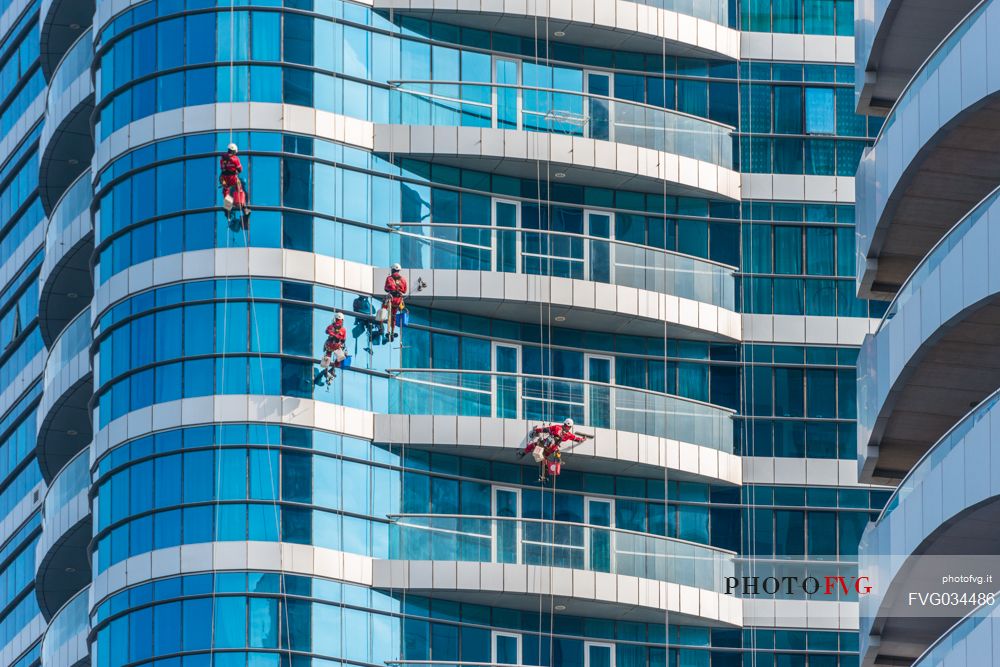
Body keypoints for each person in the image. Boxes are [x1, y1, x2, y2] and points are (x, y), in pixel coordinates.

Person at [519, 418, 590, 482]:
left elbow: (545, 429)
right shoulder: (567, 434)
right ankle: (544, 476)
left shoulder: (558, 428)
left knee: (534, 448)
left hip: (546, 444)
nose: (569, 428)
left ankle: (523, 454)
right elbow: (576, 439)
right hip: (551, 448)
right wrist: (583, 439)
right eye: (569, 427)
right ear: (569, 426)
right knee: (543, 459)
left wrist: (536, 430)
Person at [219, 143, 250, 222]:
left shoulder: (222, 158)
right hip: (232, 177)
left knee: (226, 191)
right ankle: (243, 207)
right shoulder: (235, 159)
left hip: (224, 178)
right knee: (239, 188)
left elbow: (222, 168)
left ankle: (227, 209)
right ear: (234, 151)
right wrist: (234, 169)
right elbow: (240, 169)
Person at [383, 263, 408, 340]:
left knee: (383, 310)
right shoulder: (403, 280)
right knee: (393, 316)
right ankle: (393, 332)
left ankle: (381, 327)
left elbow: (386, 288)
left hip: (391, 298)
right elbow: (404, 291)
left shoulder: (389, 278)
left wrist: (392, 289)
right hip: (398, 301)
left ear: (392, 269)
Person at [321, 313, 348, 382]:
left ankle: (332, 369)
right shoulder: (331, 327)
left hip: (337, 346)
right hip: (330, 344)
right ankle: (326, 371)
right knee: (327, 358)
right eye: (338, 320)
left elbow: (344, 339)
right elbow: (327, 331)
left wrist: (340, 340)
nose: (339, 322)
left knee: (340, 358)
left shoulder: (343, 330)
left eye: (340, 320)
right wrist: (333, 334)